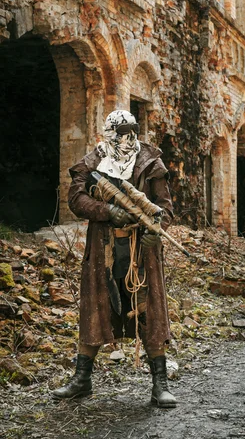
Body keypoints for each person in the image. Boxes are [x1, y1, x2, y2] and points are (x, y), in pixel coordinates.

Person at [52, 110, 176, 408]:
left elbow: (165, 208)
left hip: (142, 252)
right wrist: (107, 211)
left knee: (148, 310)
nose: (126, 139)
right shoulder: (94, 161)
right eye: (119, 133)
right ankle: (82, 381)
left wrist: (157, 231)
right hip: (104, 251)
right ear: (108, 133)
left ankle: (160, 385)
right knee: (97, 308)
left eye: (131, 131)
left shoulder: (150, 162)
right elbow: (75, 199)